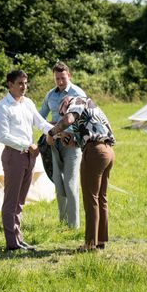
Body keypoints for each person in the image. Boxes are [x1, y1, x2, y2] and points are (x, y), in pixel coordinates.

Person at [0, 69, 54, 252]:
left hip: (30, 156)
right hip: (14, 156)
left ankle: (18, 239)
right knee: (11, 201)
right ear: (10, 85)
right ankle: (12, 243)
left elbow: (41, 123)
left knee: (20, 200)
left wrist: (57, 131)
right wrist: (27, 146)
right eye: (20, 83)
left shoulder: (28, 103)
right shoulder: (2, 107)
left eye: (26, 83)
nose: (24, 87)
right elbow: (3, 136)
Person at [47, 95, 115, 251]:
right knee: (101, 198)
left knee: (90, 199)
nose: (63, 114)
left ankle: (90, 244)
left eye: (62, 112)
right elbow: (81, 138)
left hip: (95, 152)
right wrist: (71, 140)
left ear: (65, 103)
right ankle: (100, 241)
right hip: (108, 151)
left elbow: (68, 120)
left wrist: (51, 133)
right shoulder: (91, 108)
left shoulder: (76, 102)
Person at [39, 62, 86, 228]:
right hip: (54, 141)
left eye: (63, 78)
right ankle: (63, 222)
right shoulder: (50, 95)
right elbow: (40, 118)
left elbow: (83, 121)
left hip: (72, 143)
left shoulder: (78, 93)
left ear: (69, 76)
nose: (60, 81)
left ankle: (73, 226)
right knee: (58, 183)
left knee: (70, 182)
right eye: (57, 78)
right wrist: (49, 129)